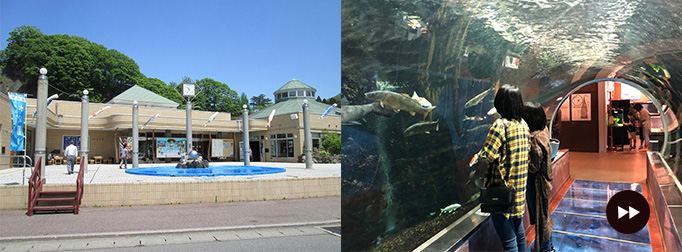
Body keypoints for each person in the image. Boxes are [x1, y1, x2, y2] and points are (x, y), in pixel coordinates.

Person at [473, 85, 530, 252]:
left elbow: (488, 156)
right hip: (518, 192)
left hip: (501, 193)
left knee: (508, 241)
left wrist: (480, 155)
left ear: (500, 103)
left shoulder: (500, 125)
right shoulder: (523, 125)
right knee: (519, 235)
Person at [523, 102, 554, 252]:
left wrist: (522, 161)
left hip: (537, 184)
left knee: (541, 219)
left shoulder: (535, 138)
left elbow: (534, 166)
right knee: (544, 216)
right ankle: (547, 247)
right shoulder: (544, 130)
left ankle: (545, 249)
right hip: (544, 181)